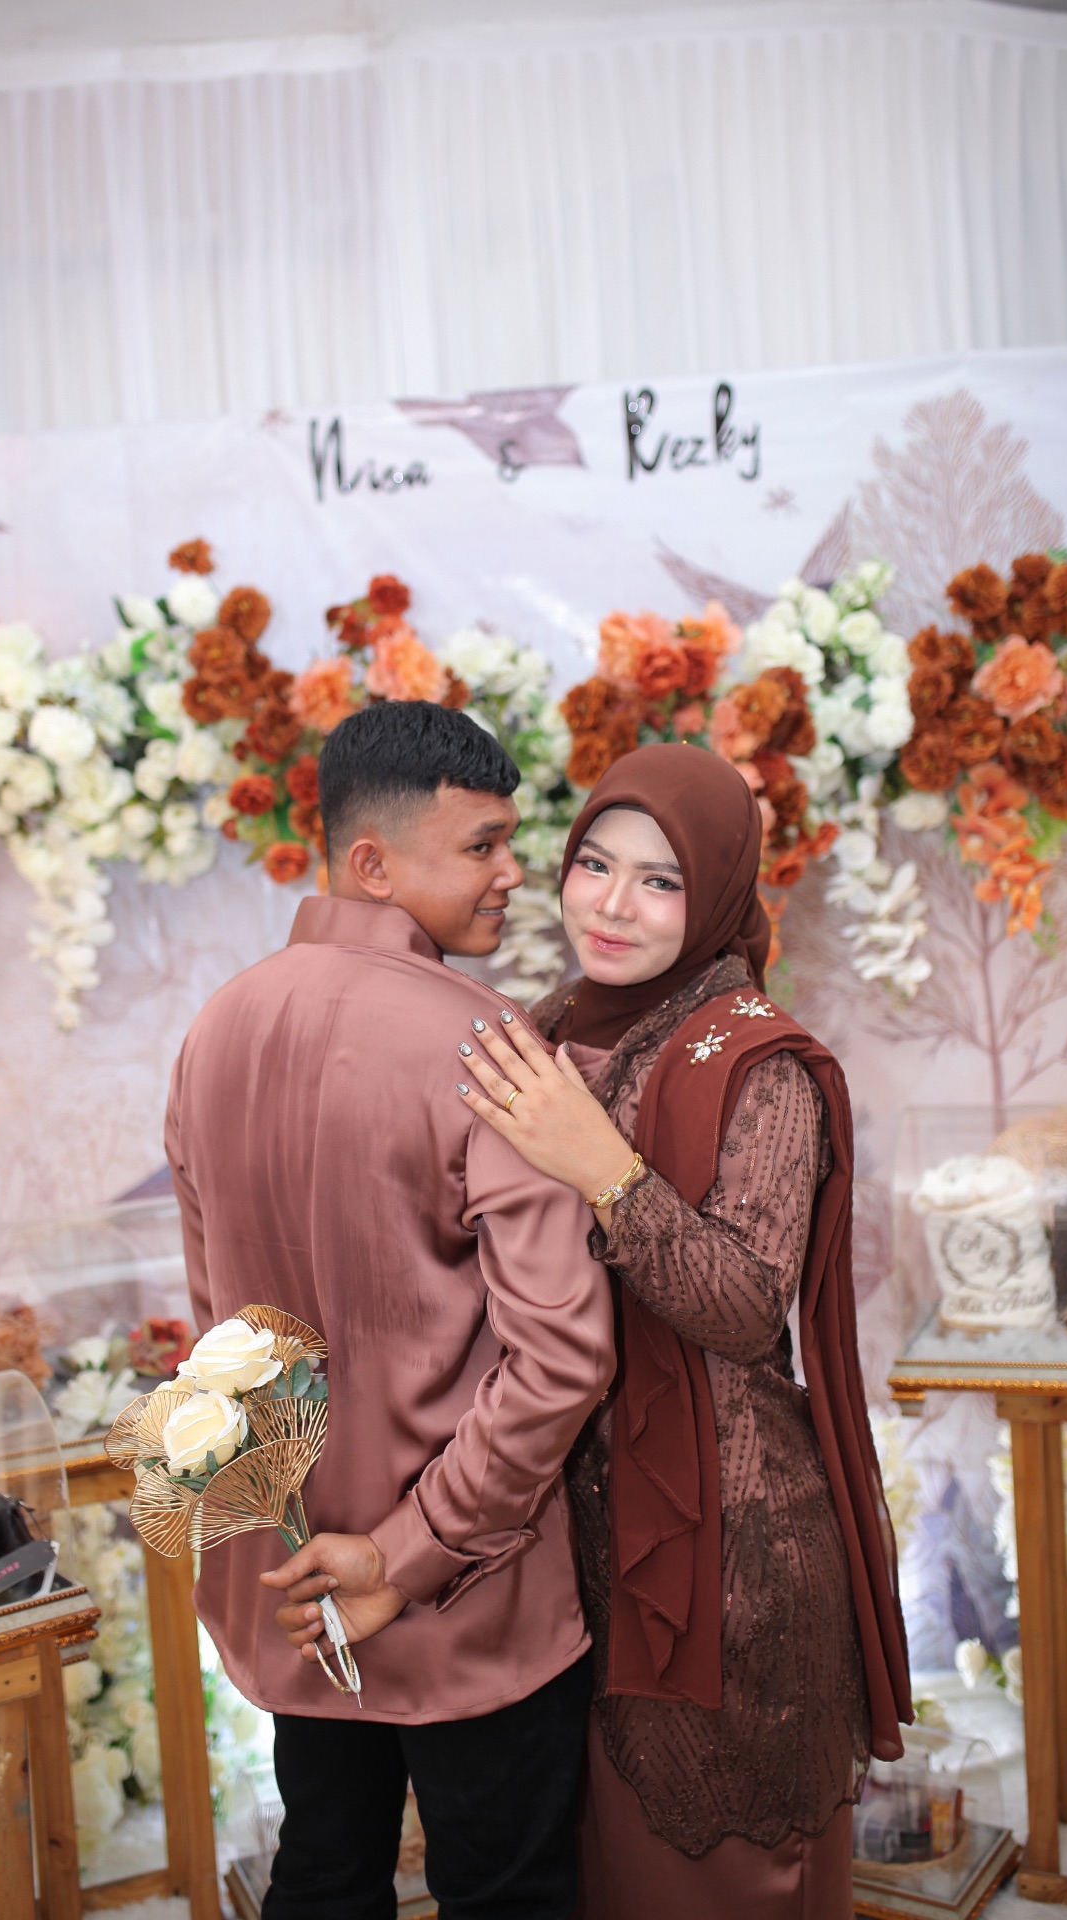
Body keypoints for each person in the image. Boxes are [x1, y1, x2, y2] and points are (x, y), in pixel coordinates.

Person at [165, 700, 615, 1920]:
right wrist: (406, 1559)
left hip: (291, 1582)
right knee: (507, 1894)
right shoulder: (487, 1045)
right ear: (371, 862)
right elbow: (563, 1361)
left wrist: (308, 1549)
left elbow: (220, 1341)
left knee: (323, 1874)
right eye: (480, 846)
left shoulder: (215, 1028)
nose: (514, 873)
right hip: (465, 1592)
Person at [453, 742, 913, 1920]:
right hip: (569, 1543)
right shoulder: (543, 1030)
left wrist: (603, 1170)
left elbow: (746, 1308)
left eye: (658, 881)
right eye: (594, 865)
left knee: (720, 1880)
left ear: (712, 892)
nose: (612, 905)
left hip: (731, 1555)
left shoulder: (761, 1066)